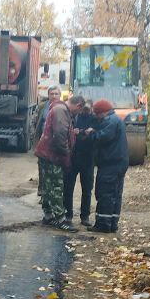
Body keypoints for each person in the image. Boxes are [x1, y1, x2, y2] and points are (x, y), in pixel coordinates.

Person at [35, 94, 83, 232]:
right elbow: (60, 136)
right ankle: (61, 219)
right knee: (56, 186)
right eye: (79, 110)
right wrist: (67, 156)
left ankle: (48, 215)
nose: (77, 113)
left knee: (47, 185)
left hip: (46, 154)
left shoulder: (59, 109)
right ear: (78, 105)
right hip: (52, 155)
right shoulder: (61, 111)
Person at [84, 99, 128, 233]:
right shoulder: (116, 120)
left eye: (97, 114)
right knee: (115, 194)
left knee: (105, 193)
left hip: (110, 164)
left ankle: (103, 224)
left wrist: (91, 133)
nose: (96, 117)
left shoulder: (110, 122)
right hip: (118, 163)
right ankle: (112, 223)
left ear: (103, 112)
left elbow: (103, 137)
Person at [63, 96, 96, 225]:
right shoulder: (74, 116)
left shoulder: (94, 119)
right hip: (74, 156)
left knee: (87, 189)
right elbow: (70, 132)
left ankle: (85, 216)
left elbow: (93, 135)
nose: (84, 111)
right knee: (68, 187)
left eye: (87, 109)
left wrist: (80, 132)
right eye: (82, 108)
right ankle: (68, 214)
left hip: (88, 158)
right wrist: (78, 133)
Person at [35, 85, 61, 198]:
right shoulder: (42, 107)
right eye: (52, 94)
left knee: (55, 169)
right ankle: (42, 191)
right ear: (48, 95)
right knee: (42, 167)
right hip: (43, 142)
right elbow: (35, 121)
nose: (54, 96)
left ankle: (53, 193)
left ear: (60, 95)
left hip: (56, 144)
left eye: (56, 94)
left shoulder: (64, 107)